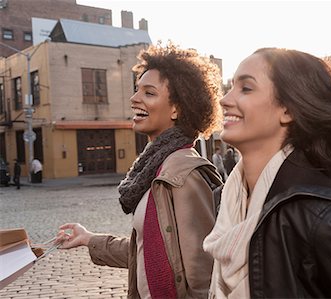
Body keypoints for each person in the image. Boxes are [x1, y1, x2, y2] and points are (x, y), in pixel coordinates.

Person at [203, 48, 331, 298]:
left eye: (246, 88)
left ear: (288, 110)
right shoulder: (226, 201)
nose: (225, 100)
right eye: (231, 87)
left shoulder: (321, 218)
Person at [56, 43, 223, 299]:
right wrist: (89, 239)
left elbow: (204, 276)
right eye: (137, 90)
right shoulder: (155, 167)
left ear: (177, 108)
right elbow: (147, 254)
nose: (135, 99)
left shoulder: (183, 174)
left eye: (149, 93)